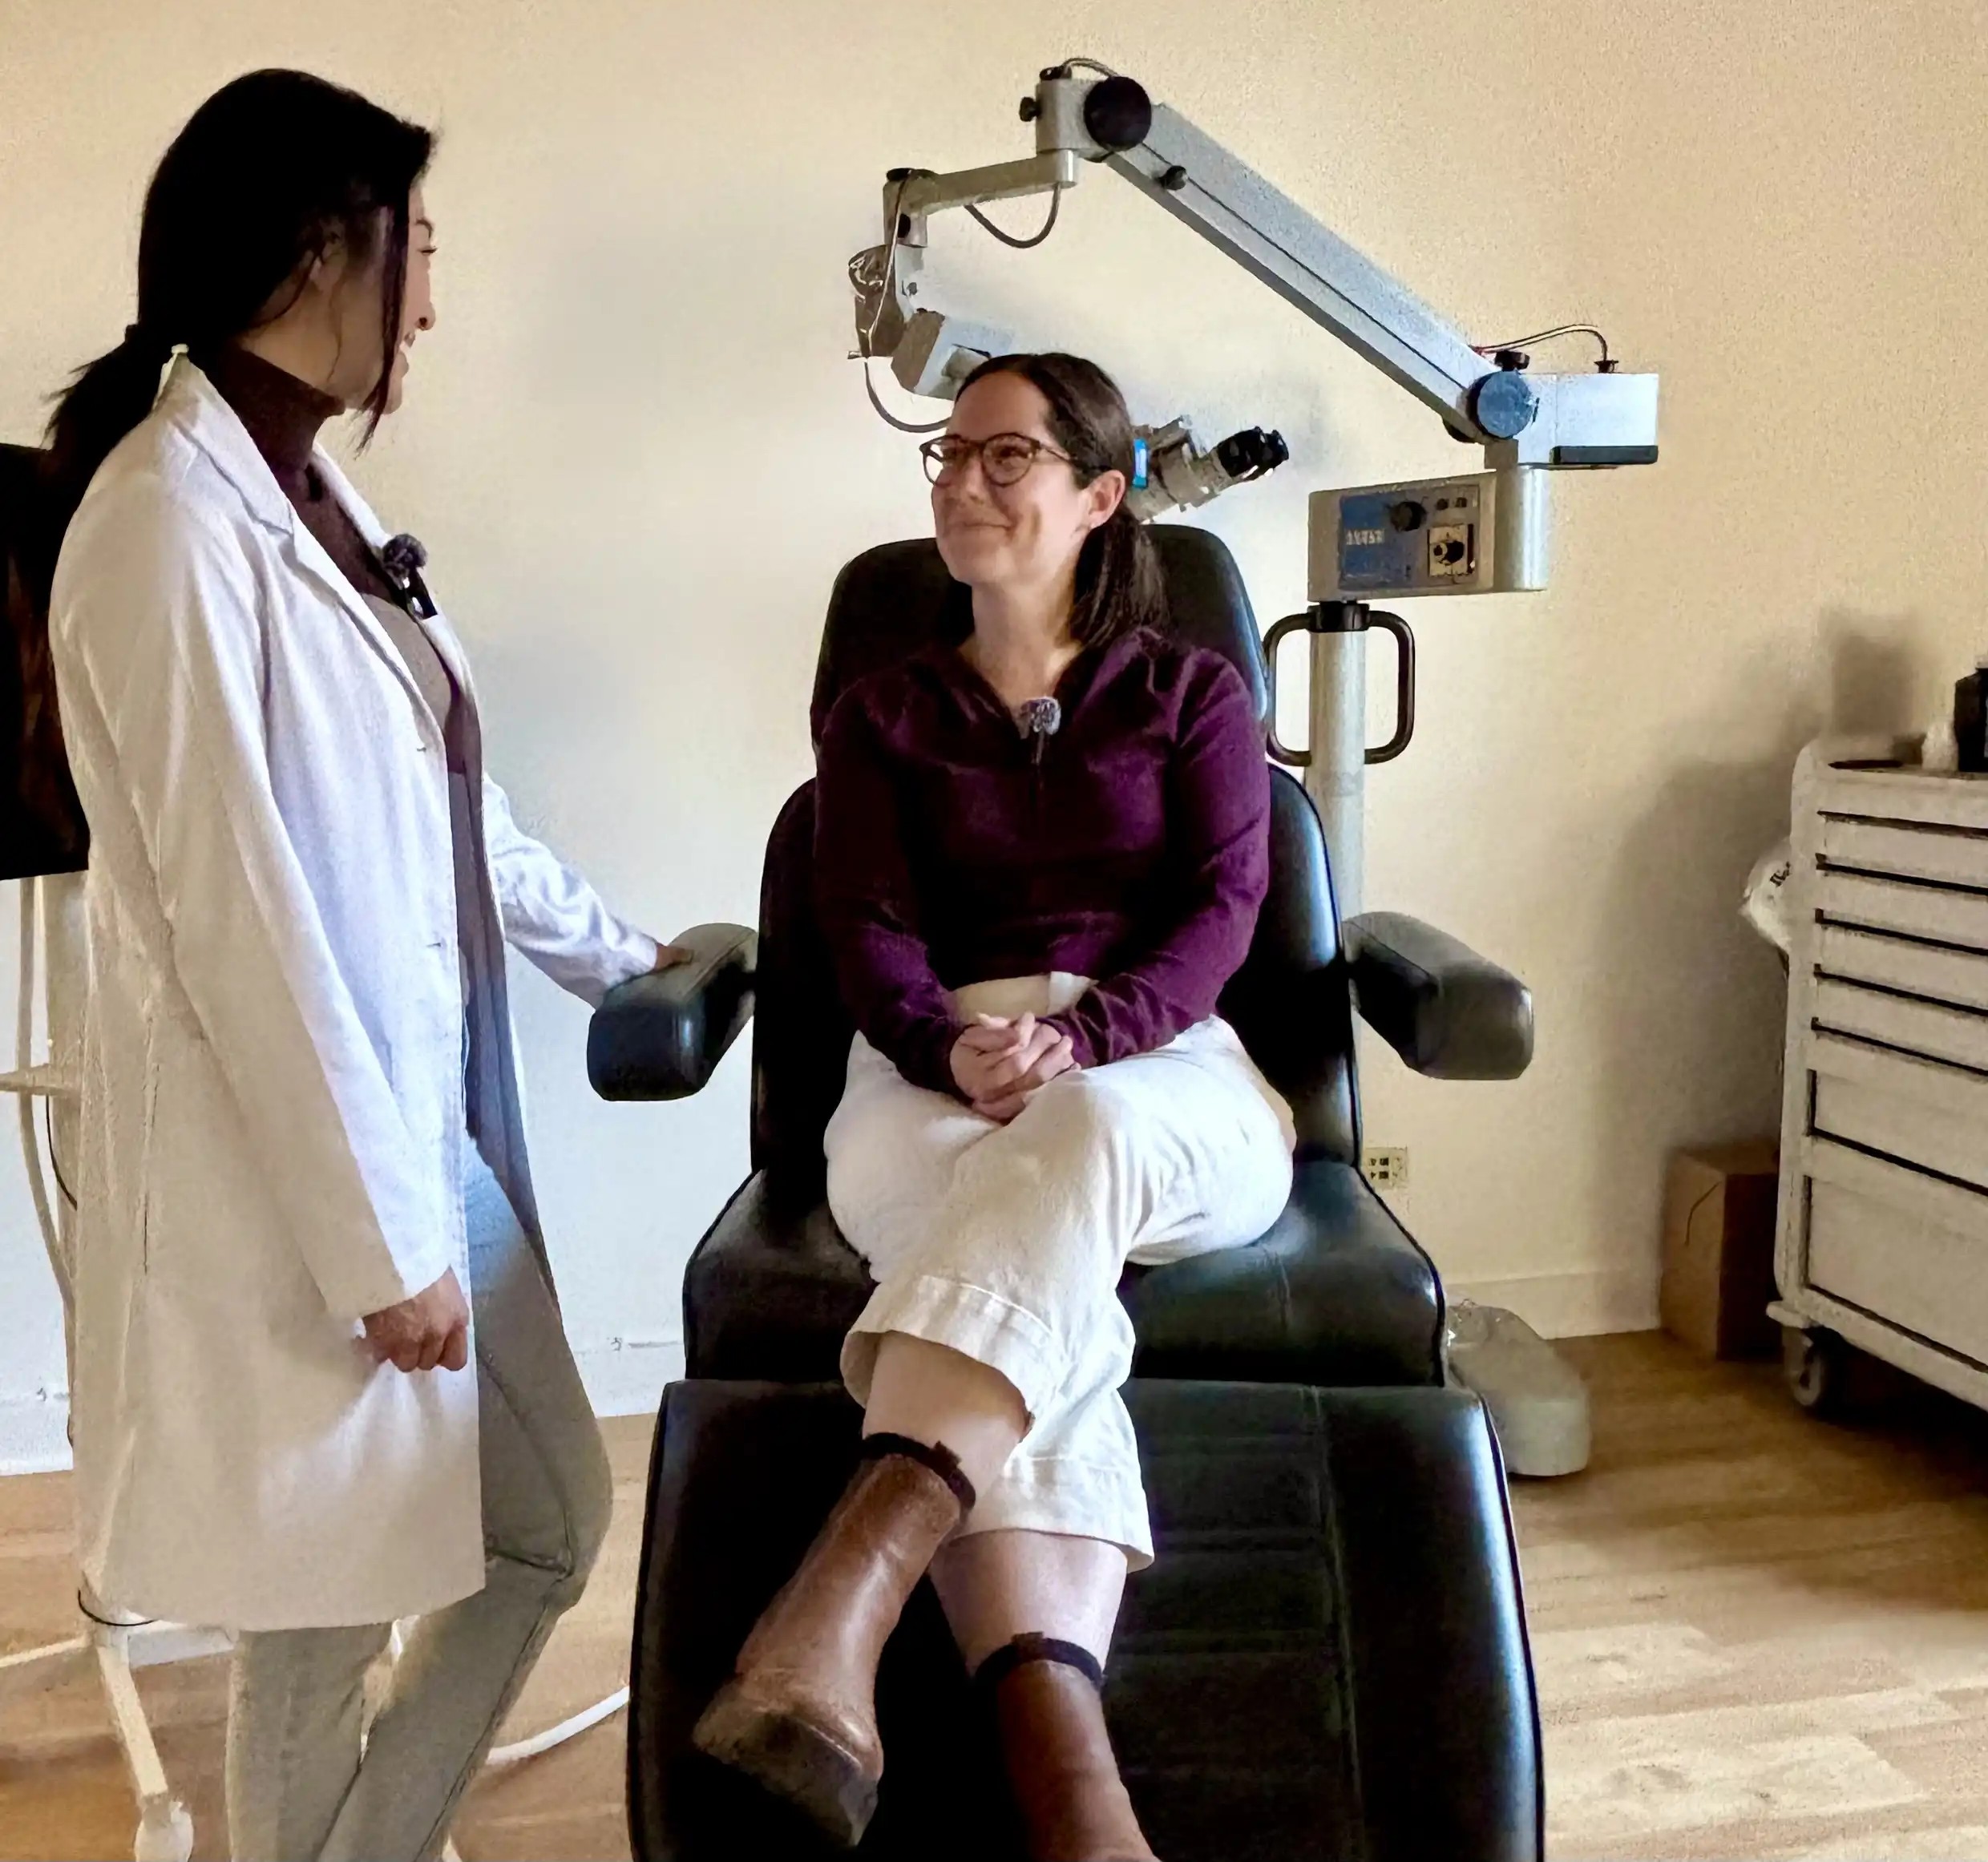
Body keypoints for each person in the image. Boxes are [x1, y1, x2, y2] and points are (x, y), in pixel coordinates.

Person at [42, 70, 677, 1862]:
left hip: (418, 1129)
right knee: (315, 1613)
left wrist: (629, 956)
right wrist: (379, 1247)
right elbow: (235, 912)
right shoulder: (165, 520)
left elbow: (452, 817)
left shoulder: (308, 498)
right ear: (321, 244)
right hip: (299, 1178)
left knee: (545, 1516)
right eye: (419, 249)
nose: (432, 298)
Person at [693, 352, 1297, 1859]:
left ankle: (852, 1582)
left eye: (1007, 457)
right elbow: (865, 923)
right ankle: (1078, 1803)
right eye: (950, 456)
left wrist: (1092, 1036)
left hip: (1158, 1076)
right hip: (932, 1072)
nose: (963, 481)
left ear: (1102, 495)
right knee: (1033, 1299)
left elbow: (1224, 910)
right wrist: (939, 1042)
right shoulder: (883, 711)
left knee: (1066, 1166)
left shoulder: (1192, 693)